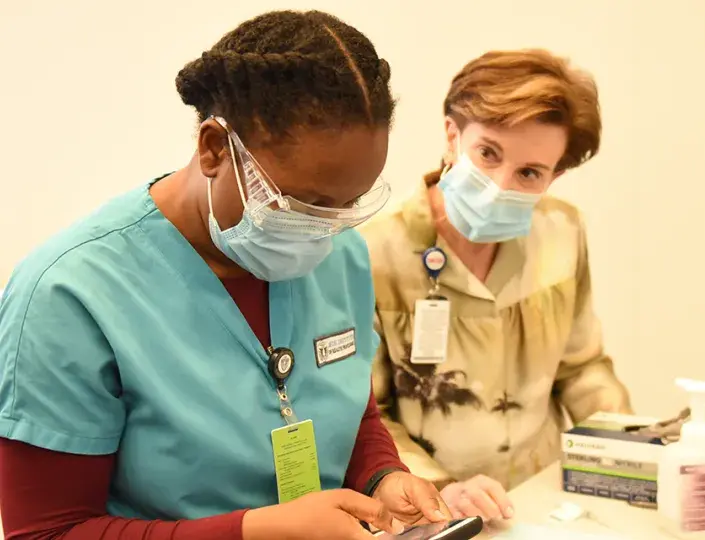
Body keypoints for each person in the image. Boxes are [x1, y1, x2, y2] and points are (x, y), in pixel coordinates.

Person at [0, 10, 450, 540]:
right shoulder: (70, 296)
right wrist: (253, 531)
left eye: (348, 206)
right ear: (215, 148)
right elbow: (47, 532)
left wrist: (382, 475)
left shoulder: (341, 255)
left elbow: (349, 407)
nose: (323, 232)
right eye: (301, 205)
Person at [361, 49, 633, 522]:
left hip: (543, 499)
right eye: (488, 153)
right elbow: (368, 416)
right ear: (452, 135)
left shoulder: (562, 233)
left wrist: (631, 450)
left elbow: (582, 369)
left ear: (555, 176)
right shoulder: (373, 250)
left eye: (529, 173)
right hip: (432, 511)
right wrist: (443, 491)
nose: (499, 184)